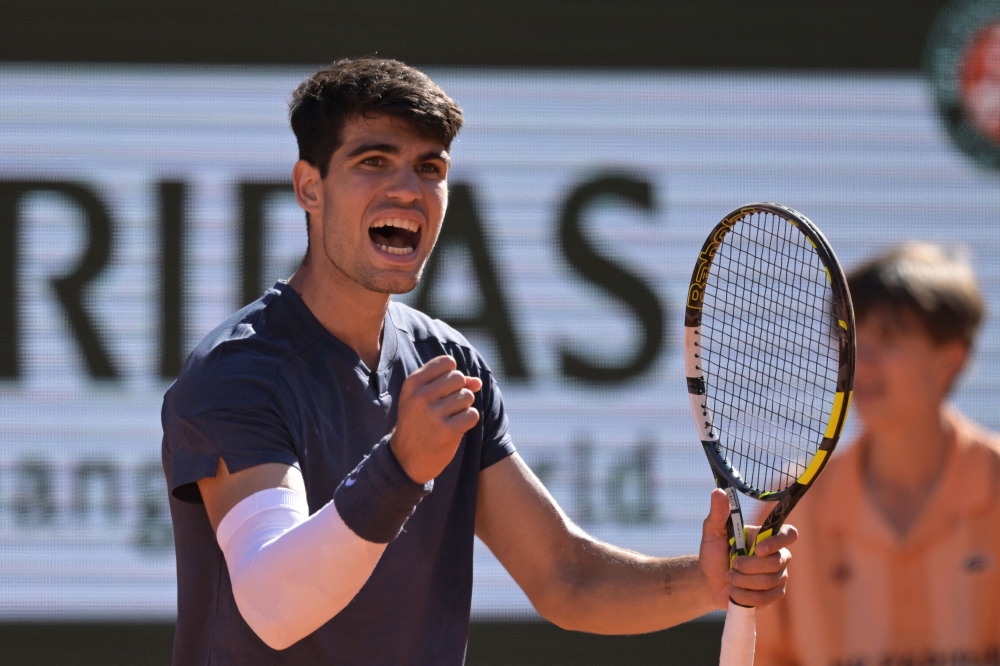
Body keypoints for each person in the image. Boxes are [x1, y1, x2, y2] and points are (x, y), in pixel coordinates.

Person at [161, 57, 795, 665]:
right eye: (374, 161)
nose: (408, 189)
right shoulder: (235, 374)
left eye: (429, 168)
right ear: (310, 187)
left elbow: (564, 577)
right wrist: (401, 468)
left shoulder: (449, 362)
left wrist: (708, 583)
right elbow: (275, 608)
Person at [756, 243, 1000, 665]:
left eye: (888, 337)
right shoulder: (791, 510)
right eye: (849, 336)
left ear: (951, 360)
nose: (861, 362)